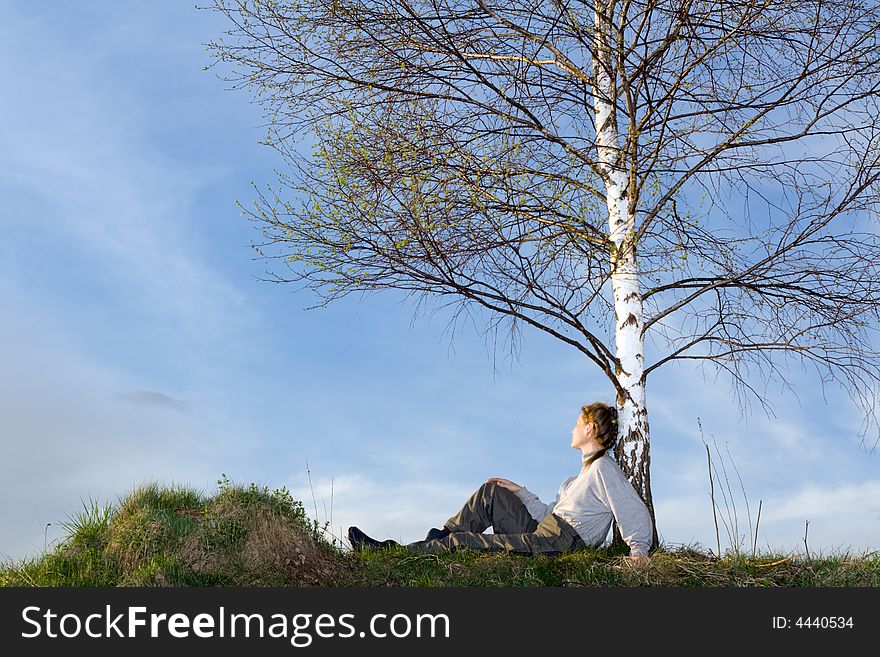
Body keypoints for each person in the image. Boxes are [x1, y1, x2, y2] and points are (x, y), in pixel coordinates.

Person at [348, 402, 654, 564]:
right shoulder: (577, 478)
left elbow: (633, 511)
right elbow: (550, 512)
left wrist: (638, 551)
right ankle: (436, 538)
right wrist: (521, 492)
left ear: (589, 429)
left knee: (464, 544)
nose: (571, 429)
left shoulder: (603, 469)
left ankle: (392, 552)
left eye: (576, 424)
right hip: (547, 531)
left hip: (560, 544)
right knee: (491, 492)